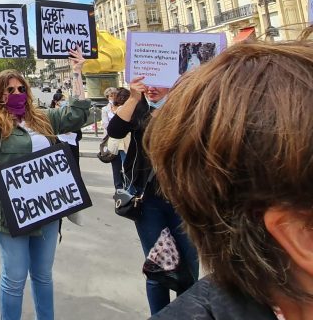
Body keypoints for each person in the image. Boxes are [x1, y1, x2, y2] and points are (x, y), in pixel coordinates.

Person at [145, 37, 313, 320]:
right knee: (162, 268)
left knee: (185, 265)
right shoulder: (140, 111)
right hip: (154, 200)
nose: (151, 88)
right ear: (302, 233)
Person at [0, 49, 92, 320]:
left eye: (20, 87)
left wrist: (76, 72)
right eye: (9, 89)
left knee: (43, 275)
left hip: (47, 208)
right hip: (10, 213)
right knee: (14, 277)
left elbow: (78, 113)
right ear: (0, 94)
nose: (16, 92)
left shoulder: (43, 118)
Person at [107, 76, 199, 315]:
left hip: (185, 200)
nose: (152, 88)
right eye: (150, 82)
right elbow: (114, 130)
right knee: (157, 269)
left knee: (189, 269)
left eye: (160, 81)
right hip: (148, 202)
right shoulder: (139, 108)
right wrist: (135, 96)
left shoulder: (188, 107)